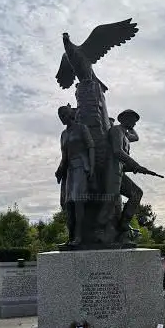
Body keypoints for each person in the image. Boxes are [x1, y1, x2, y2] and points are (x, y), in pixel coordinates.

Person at [55, 104, 95, 246]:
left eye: (64, 115)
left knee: (78, 202)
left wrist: (91, 167)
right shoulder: (63, 134)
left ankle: (79, 237)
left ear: (70, 114)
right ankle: (71, 237)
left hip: (81, 167)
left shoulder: (82, 128)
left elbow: (91, 147)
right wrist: (59, 170)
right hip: (69, 170)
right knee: (68, 204)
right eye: (60, 116)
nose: (62, 118)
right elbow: (64, 155)